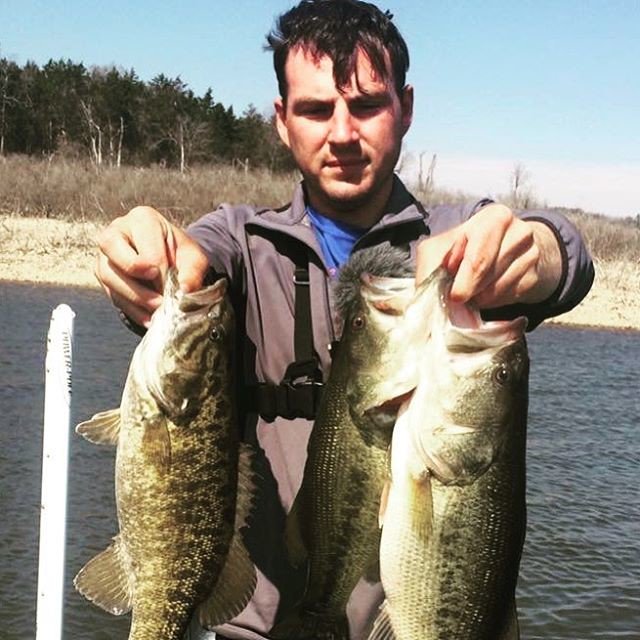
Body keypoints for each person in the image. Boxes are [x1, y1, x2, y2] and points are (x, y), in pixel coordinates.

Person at [95, 1, 594, 638]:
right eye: (314, 109)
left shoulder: (453, 239)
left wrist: (542, 252)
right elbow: (193, 265)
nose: (342, 134)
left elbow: (567, 258)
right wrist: (147, 257)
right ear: (281, 120)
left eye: (366, 106)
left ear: (405, 109)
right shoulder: (240, 241)